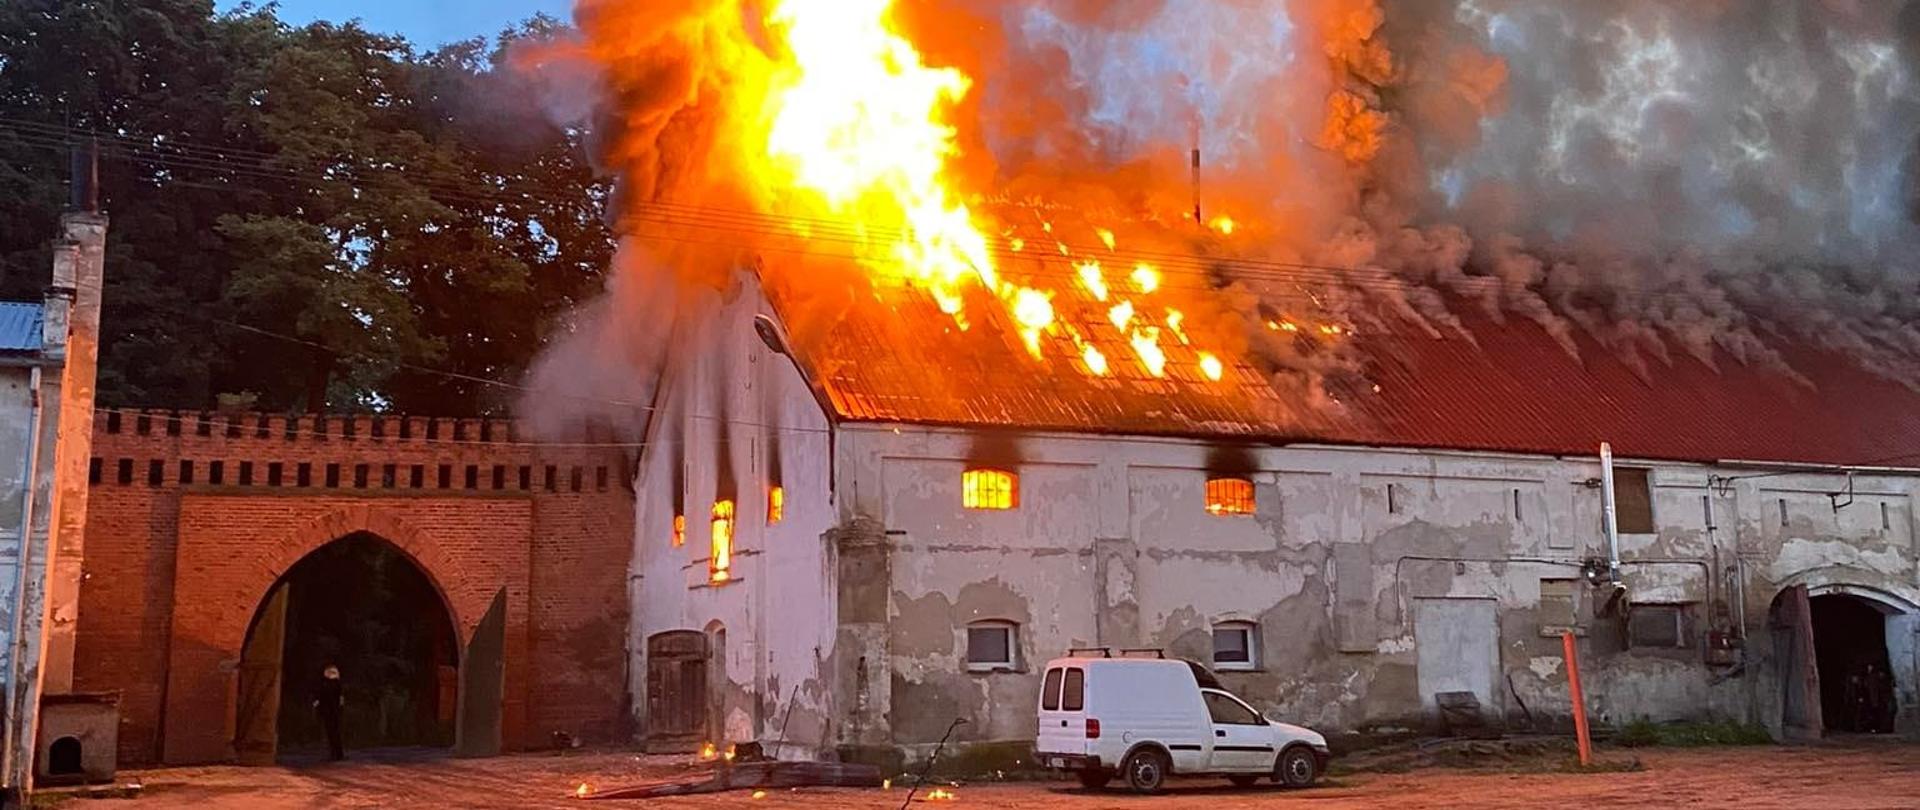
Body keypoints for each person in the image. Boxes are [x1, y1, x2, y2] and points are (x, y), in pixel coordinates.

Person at [313, 664, 345, 761]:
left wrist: (315, 705)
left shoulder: (325, 685)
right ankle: (337, 754)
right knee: (335, 733)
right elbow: (341, 700)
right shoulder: (338, 685)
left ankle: (335, 754)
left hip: (328, 712)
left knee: (331, 733)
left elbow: (320, 698)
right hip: (334, 712)